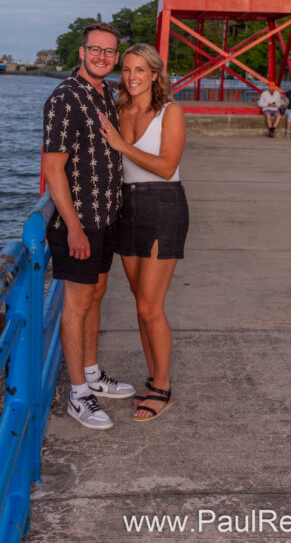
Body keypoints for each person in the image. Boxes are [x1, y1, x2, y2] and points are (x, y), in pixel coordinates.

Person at [42, 22, 135, 431]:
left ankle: (93, 374)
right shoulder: (65, 97)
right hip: (78, 221)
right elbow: (53, 168)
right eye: (95, 50)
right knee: (76, 304)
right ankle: (77, 394)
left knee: (96, 294)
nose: (102, 57)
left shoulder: (107, 94)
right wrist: (74, 228)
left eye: (109, 51)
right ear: (81, 52)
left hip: (106, 213)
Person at [98, 43, 189, 422]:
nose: (133, 77)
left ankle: (163, 386)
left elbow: (167, 166)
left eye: (141, 70)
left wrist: (120, 145)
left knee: (151, 305)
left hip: (163, 205)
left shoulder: (171, 112)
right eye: (128, 69)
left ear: (155, 74)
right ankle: (152, 377)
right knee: (140, 301)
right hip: (127, 206)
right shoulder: (118, 111)